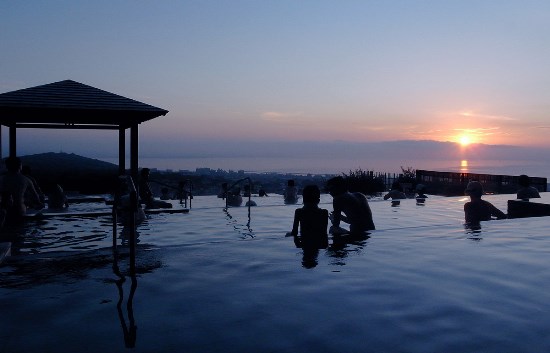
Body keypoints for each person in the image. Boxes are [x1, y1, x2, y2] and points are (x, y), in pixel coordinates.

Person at [0, 156, 44, 225]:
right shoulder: (26, 180)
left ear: (7, 166)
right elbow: (36, 198)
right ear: (20, 166)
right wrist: (38, 204)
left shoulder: (1, 179)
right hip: (19, 210)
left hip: (4, 211)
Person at [287, 185, 328, 249]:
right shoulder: (324, 212)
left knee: (287, 235)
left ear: (303, 200)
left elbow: (294, 232)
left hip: (305, 241)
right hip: (319, 242)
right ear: (318, 200)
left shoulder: (299, 212)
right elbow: (324, 233)